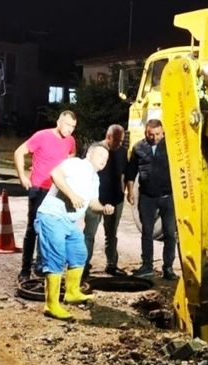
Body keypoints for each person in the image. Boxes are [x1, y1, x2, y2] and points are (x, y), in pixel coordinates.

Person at [35, 142, 114, 320]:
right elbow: (55, 174)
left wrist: (103, 208)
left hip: (68, 221)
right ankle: (51, 305)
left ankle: (72, 293)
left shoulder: (95, 178)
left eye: (107, 158)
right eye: (101, 156)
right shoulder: (76, 164)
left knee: (79, 252)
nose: (104, 160)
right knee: (56, 259)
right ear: (90, 154)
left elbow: (92, 203)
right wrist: (71, 195)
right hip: (52, 216)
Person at [14, 110, 77, 283]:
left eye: (73, 127)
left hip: (58, 191)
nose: (70, 130)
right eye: (67, 125)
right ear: (59, 122)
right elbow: (19, 152)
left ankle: (42, 266)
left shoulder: (70, 141)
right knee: (33, 229)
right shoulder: (42, 136)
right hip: (39, 188)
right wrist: (22, 176)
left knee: (52, 230)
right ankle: (25, 270)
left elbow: (71, 159)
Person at [125, 119, 178, 280]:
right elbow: (131, 171)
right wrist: (130, 191)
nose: (154, 138)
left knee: (170, 233)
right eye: (151, 134)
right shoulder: (139, 148)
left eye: (157, 134)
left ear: (163, 132)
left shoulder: (172, 146)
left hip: (168, 196)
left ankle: (168, 268)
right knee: (147, 232)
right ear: (145, 133)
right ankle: (147, 266)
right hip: (147, 197)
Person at [82, 124, 128, 279]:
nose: (119, 144)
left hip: (115, 199)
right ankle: (83, 264)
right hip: (96, 199)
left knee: (111, 234)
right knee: (89, 233)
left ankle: (112, 264)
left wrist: (125, 191)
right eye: (117, 141)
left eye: (121, 141)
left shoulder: (122, 152)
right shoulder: (96, 150)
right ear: (109, 137)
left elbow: (125, 173)